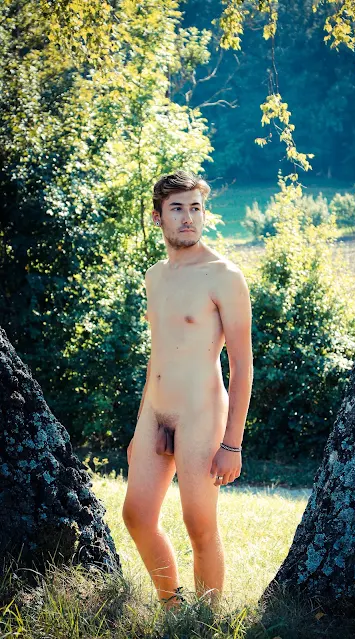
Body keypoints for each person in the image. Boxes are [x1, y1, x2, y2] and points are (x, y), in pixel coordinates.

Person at [122, 170, 253, 609]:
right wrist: (141, 425)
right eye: (176, 208)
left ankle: (206, 623)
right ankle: (173, 609)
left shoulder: (224, 276)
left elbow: (242, 366)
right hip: (154, 412)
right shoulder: (155, 276)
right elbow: (158, 353)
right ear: (157, 217)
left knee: (199, 525)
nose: (187, 218)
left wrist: (232, 445)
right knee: (136, 516)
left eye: (195, 208)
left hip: (201, 413)